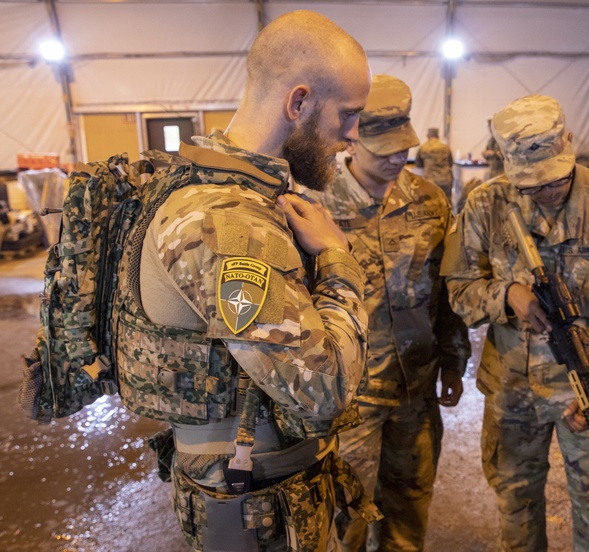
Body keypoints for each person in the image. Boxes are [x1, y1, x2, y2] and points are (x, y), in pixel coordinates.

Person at [113, 10, 374, 551]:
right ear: (298, 102)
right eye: (346, 115)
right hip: (254, 507)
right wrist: (338, 262)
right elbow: (324, 388)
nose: (352, 136)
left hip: (265, 486)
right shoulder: (228, 224)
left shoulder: (236, 191)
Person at [442, 94, 589, 551]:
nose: (546, 193)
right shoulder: (485, 204)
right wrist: (508, 296)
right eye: (530, 186)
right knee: (516, 503)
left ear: (568, 142)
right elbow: (459, 289)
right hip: (512, 388)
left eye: (554, 180)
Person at [303, 74, 470, 551]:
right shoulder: (313, 206)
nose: (400, 158)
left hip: (414, 392)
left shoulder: (429, 201)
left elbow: (446, 294)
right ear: (352, 142)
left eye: (405, 148)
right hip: (347, 403)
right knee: (342, 521)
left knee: (408, 512)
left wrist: (454, 362)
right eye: (387, 151)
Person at [414, 127, 455, 201]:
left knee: (431, 204)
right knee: (446, 202)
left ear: (428, 136)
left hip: (430, 180)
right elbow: (451, 163)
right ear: (438, 136)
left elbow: (418, 165)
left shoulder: (423, 147)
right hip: (445, 180)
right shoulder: (445, 147)